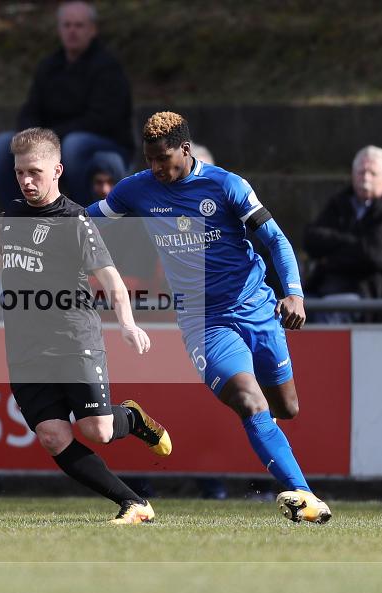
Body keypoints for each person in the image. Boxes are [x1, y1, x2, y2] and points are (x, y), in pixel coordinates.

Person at [0, 128, 170, 524]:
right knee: (52, 436)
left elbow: (111, 279)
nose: (26, 181)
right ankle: (133, 503)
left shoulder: (75, 220)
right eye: (19, 173)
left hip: (74, 340)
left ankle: (131, 418)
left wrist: (127, 324)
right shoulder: (13, 216)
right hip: (25, 348)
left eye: (35, 172)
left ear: (57, 170)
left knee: (97, 430)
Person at [87, 112, 332, 524]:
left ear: (185, 150)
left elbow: (275, 239)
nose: (156, 168)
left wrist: (294, 292)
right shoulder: (137, 189)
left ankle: (270, 434)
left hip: (255, 308)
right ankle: (302, 494)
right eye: (149, 160)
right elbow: (85, 219)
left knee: (286, 408)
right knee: (248, 400)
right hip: (204, 321)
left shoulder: (226, 186)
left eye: (163, 159)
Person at [0, 1, 133, 209]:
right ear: (59, 29)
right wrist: (31, 135)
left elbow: (102, 120)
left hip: (103, 142)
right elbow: (30, 109)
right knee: (2, 144)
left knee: (74, 144)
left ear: (92, 30)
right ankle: (17, 216)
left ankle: (82, 215)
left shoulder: (108, 68)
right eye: (67, 25)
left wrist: (51, 136)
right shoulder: (49, 66)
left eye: (79, 25)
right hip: (52, 139)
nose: (72, 31)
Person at [303, 145, 382, 323]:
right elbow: (311, 239)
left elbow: (373, 255)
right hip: (323, 287)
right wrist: (354, 243)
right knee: (286, 314)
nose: (365, 178)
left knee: (329, 318)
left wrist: (329, 258)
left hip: (367, 295)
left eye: (373, 173)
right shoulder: (339, 203)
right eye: (361, 172)